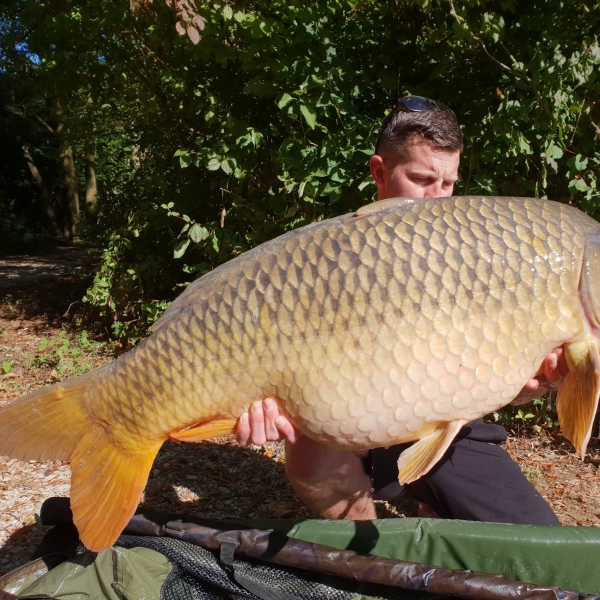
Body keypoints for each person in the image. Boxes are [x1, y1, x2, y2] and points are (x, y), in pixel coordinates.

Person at [235, 96, 565, 525]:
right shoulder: (323, 260)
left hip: (438, 426)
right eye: (423, 178)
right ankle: (370, 556)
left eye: (447, 183)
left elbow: (492, 386)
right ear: (379, 172)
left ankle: (434, 501)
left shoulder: (474, 258)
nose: (438, 197)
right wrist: (262, 405)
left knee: (538, 539)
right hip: (346, 420)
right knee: (312, 452)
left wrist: (535, 383)